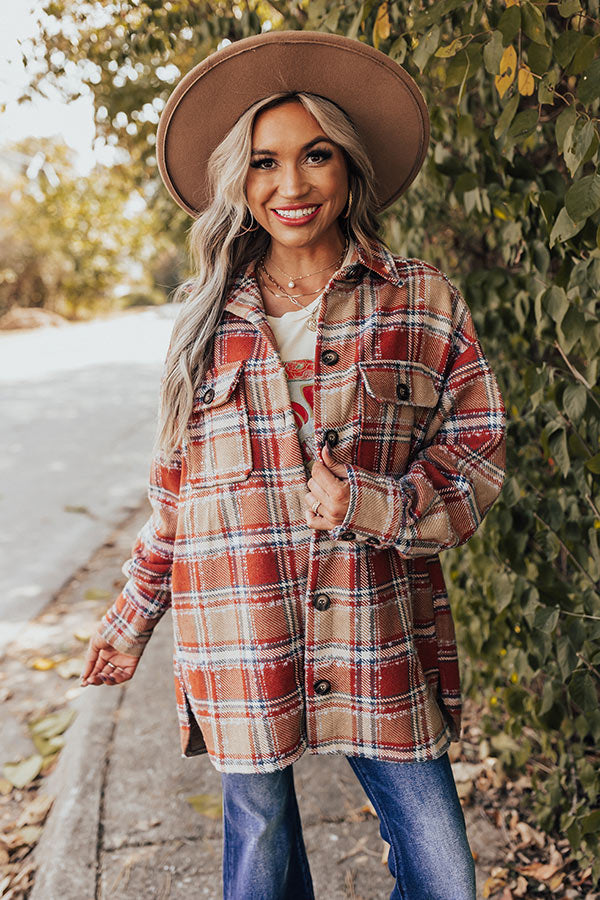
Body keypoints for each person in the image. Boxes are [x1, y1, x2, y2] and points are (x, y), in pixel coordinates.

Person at [80, 30, 506, 900]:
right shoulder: (205, 323)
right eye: (265, 162)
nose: (292, 185)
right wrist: (130, 620)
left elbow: (478, 450)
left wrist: (372, 504)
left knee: (445, 874)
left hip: (374, 625)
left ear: (348, 165)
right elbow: (176, 502)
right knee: (261, 857)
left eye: (315, 155)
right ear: (241, 179)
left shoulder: (417, 300)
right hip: (240, 628)